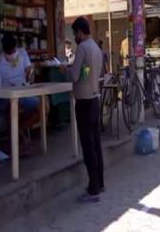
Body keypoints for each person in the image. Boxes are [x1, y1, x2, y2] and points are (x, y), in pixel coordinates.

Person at [61, 17, 104, 203]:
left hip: (84, 102)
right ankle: (99, 183)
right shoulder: (95, 47)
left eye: (75, 33)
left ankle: (93, 189)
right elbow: (90, 72)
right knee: (96, 144)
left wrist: (64, 69)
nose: (74, 36)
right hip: (94, 99)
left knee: (88, 147)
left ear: (80, 31)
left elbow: (75, 75)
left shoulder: (82, 49)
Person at [0, 33, 39, 154]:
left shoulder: (22, 53)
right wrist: (8, 90)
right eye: (9, 53)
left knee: (43, 106)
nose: (12, 54)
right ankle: (20, 141)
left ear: (16, 47)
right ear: (4, 52)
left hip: (23, 94)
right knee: (14, 107)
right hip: (7, 99)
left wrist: (31, 73)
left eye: (13, 51)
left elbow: (30, 69)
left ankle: (19, 132)